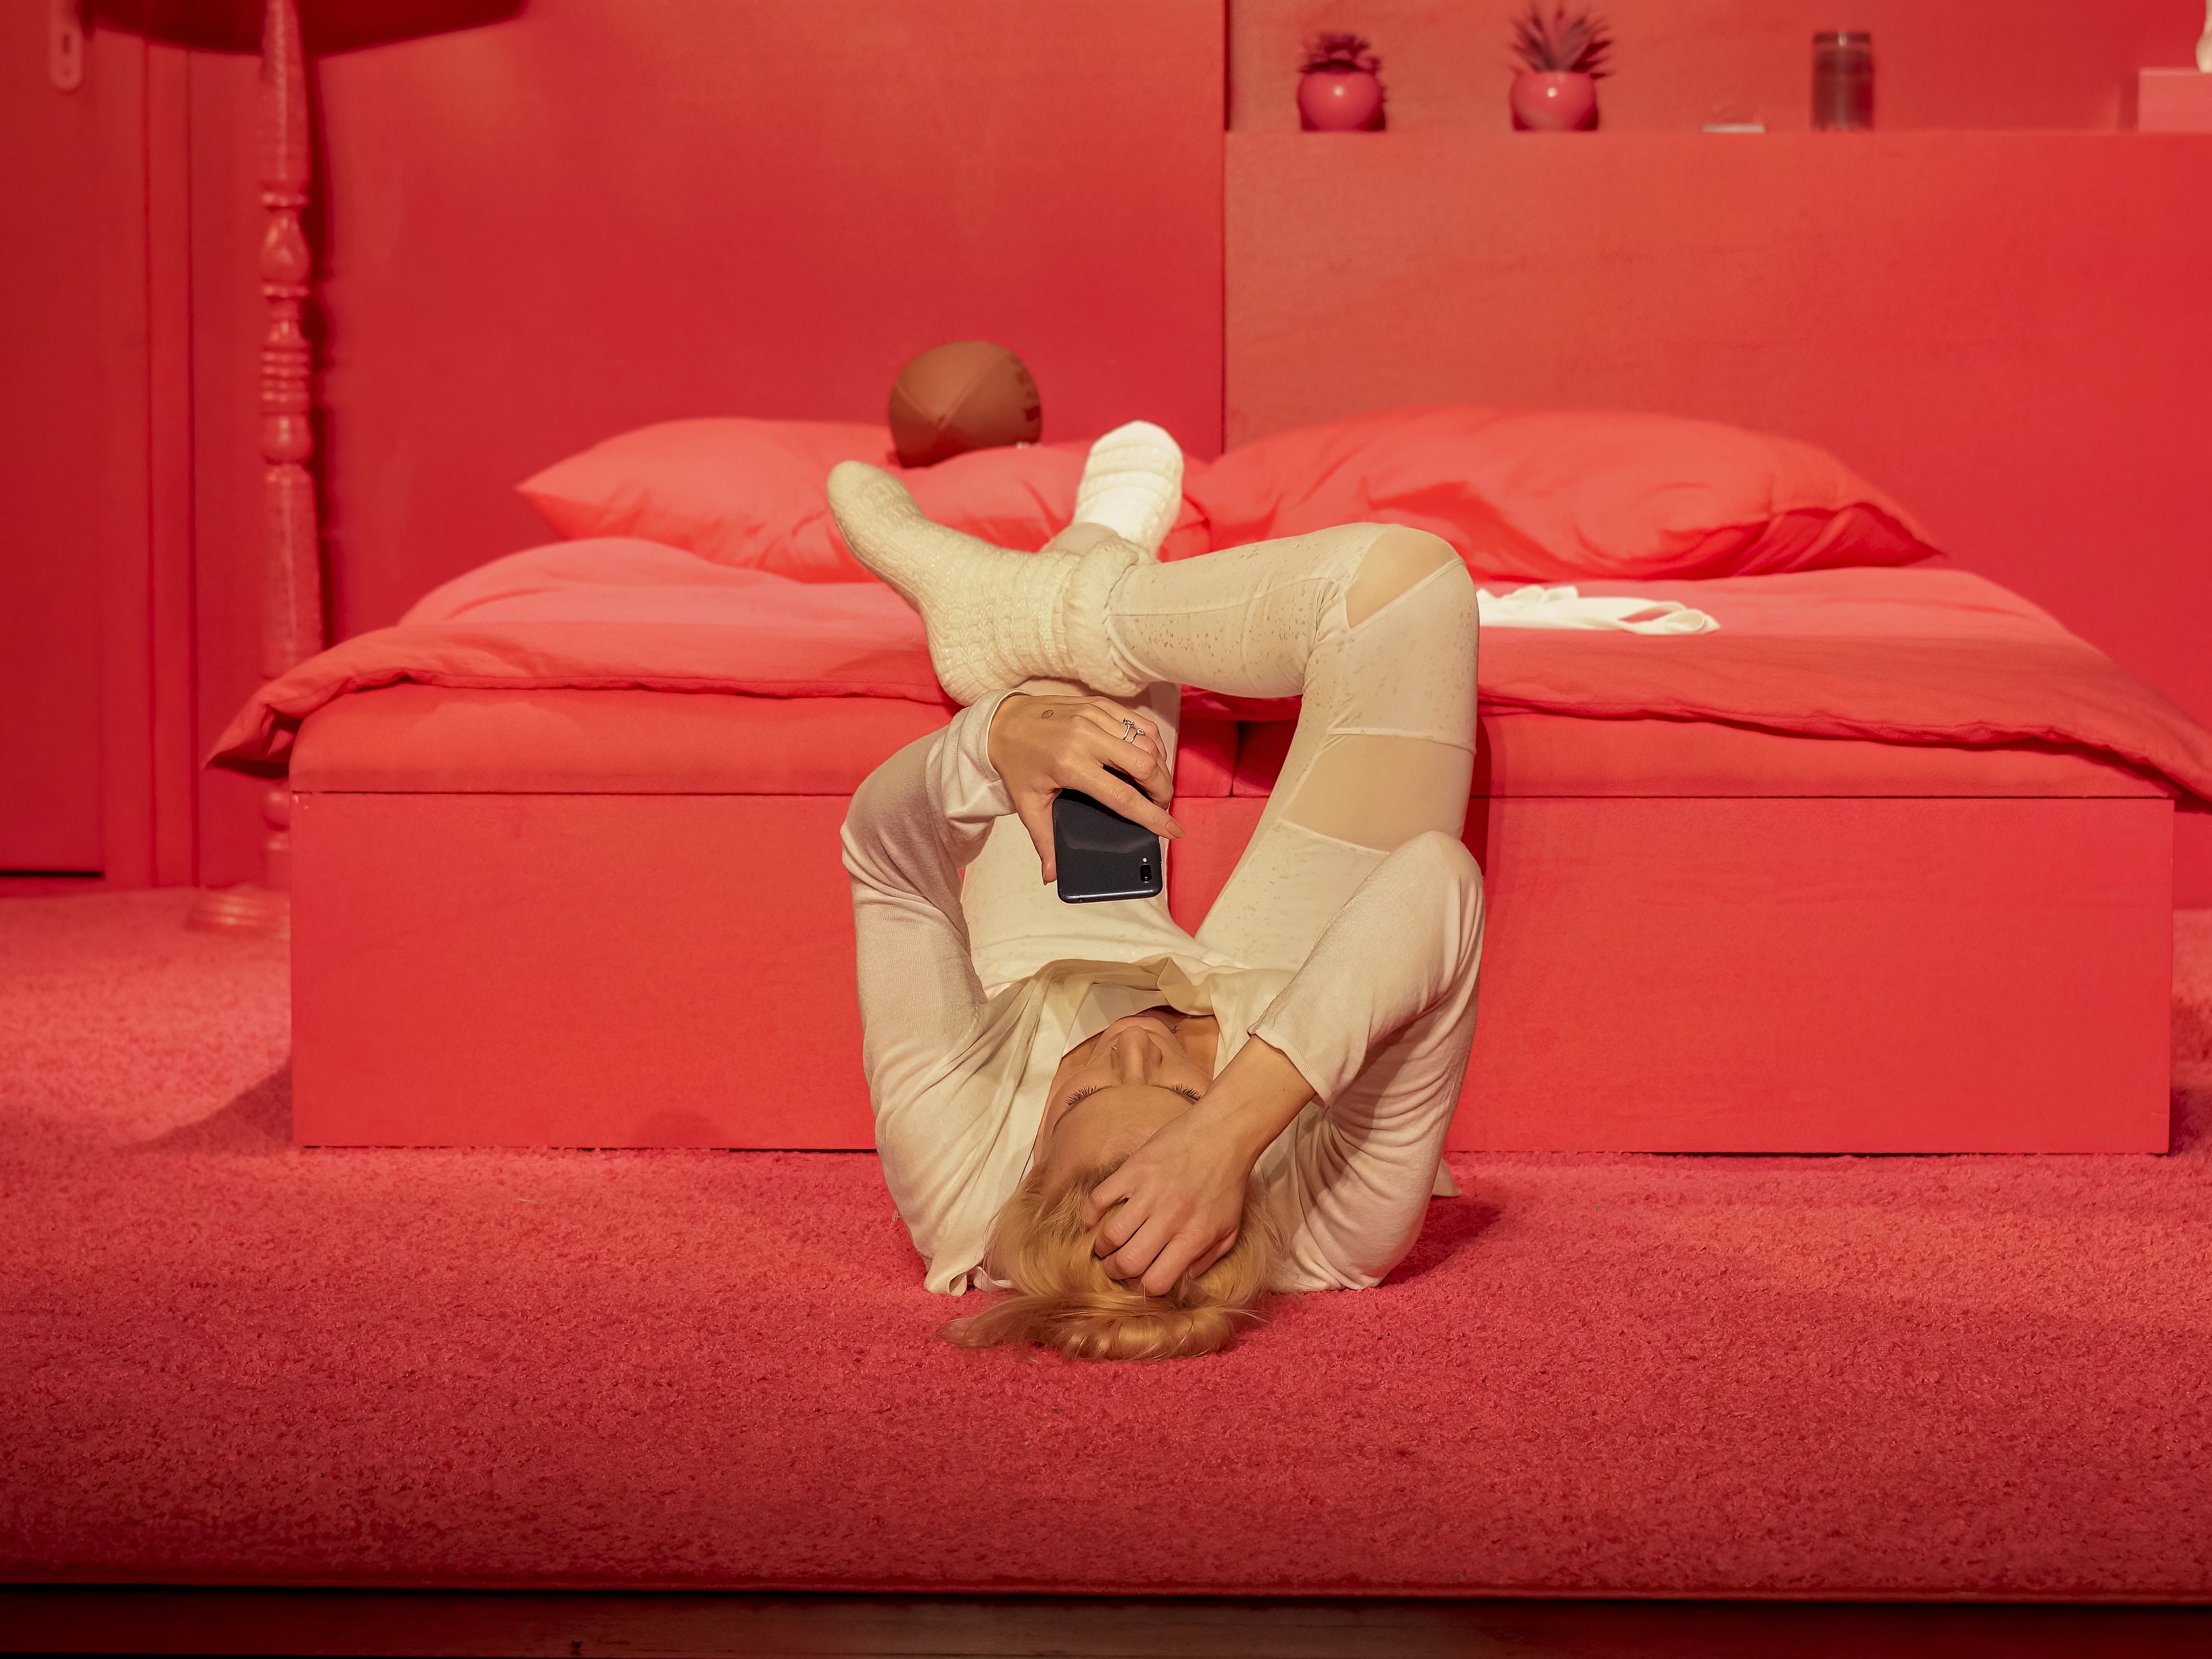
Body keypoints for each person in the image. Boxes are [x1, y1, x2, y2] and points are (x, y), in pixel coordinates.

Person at [831, 423, 1485, 1361]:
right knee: (1409, 591)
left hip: (1055, 960)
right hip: (1286, 983)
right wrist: (1232, 1127)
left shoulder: (962, 1183)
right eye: (1182, 1093)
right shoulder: (1327, 1229)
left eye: (1080, 1094)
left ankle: (1058, 575)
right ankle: (1044, 596)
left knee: (1058, 719)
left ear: (1026, 1168)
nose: (1135, 1042)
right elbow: (1438, 883)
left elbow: (883, 860)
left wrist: (993, 739)